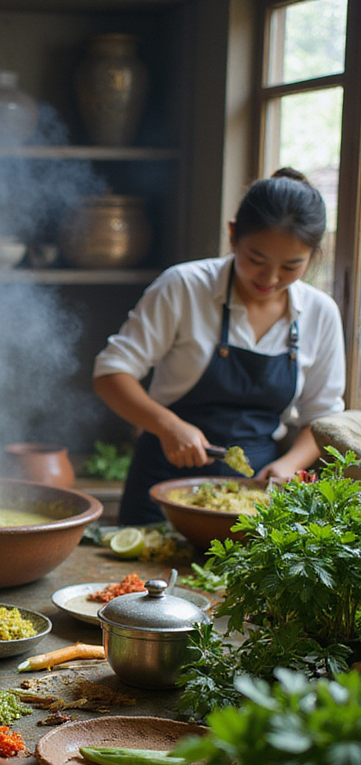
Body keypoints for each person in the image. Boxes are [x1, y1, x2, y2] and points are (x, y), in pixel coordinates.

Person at [93, 168, 346, 525]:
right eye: (256, 259)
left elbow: (323, 420)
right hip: (162, 488)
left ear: (313, 255)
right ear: (232, 236)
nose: (270, 279)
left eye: (291, 266)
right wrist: (167, 426)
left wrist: (289, 464)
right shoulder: (183, 287)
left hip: (257, 498)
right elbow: (110, 373)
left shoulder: (320, 313)